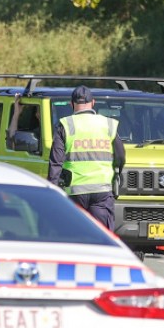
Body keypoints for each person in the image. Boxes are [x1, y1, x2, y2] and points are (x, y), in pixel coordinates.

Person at [48, 85, 125, 231]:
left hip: (75, 192)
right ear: (93, 102)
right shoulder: (108, 124)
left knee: (75, 237)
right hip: (102, 191)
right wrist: (115, 174)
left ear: (72, 104)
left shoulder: (65, 125)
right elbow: (120, 156)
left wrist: (52, 192)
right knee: (101, 237)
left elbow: (55, 163)